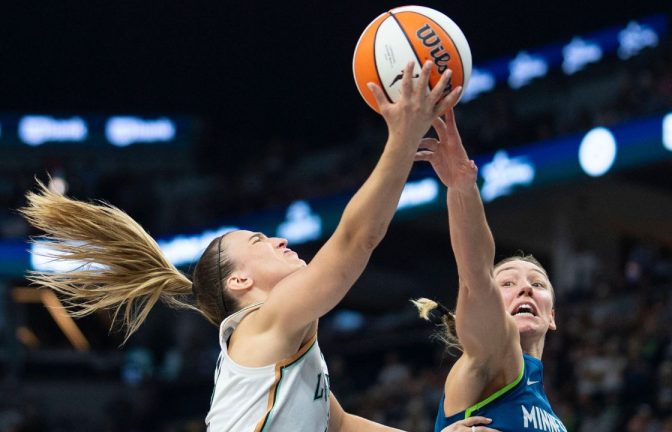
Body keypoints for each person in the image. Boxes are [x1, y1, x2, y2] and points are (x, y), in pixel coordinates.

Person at [20, 61, 484, 432]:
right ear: (240, 281)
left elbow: (339, 423)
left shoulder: (277, 341)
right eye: (260, 240)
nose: (280, 239)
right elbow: (356, 241)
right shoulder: (265, 320)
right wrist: (402, 139)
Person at [413, 109, 566, 431]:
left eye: (538, 284)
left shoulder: (550, 415)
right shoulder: (490, 356)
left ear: (552, 316)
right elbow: (476, 276)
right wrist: (462, 188)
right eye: (508, 283)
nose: (525, 288)